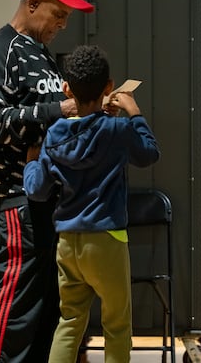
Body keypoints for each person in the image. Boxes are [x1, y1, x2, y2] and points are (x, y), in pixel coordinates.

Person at [0, 0, 94, 363]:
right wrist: (60, 109)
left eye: (67, 18)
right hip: (17, 196)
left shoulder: (40, 54)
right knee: (16, 303)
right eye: (58, 14)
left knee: (48, 308)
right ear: (33, 3)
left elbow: (50, 117)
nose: (62, 24)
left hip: (52, 199)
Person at [23, 44, 160, 363]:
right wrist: (134, 112)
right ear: (109, 88)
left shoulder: (55, 133)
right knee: (117, 327)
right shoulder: (117, 129)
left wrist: (31, 162)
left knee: (69, 324)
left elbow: (37, 189)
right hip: (108, 240)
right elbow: (149, 152)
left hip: (68, 243)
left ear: (66, 88)